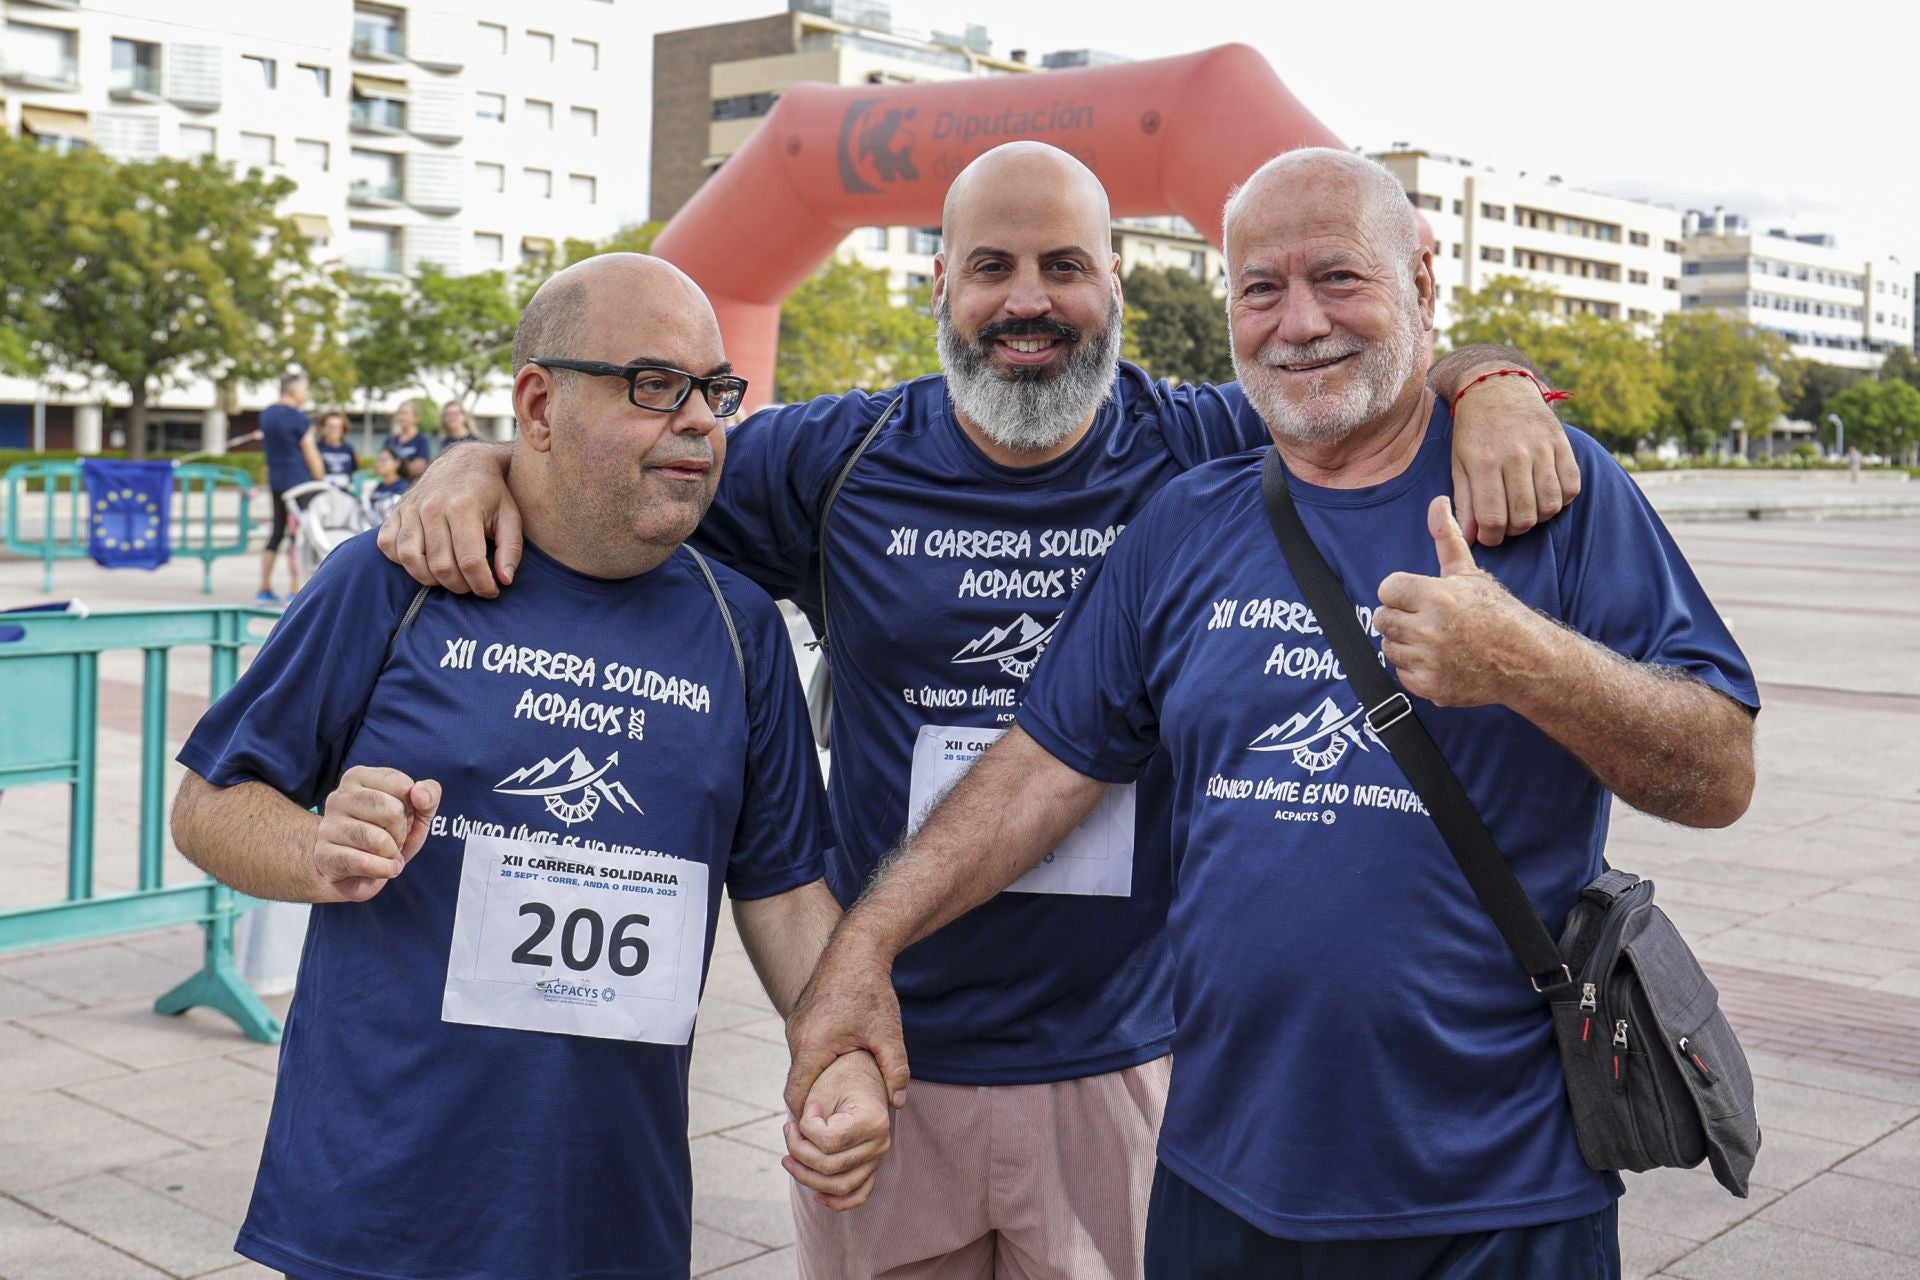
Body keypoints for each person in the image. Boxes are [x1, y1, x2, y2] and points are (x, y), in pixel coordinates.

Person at [379, 142, 1580, 1279]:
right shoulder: (832, 458)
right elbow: (625, 471)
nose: (1028, 300)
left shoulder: (1204, 445)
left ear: (1116, 281)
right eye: (993, 267)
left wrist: (1497, 382)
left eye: (1065, 265)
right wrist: (481, 462)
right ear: (940, 281)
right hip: (887, 1048)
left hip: (1129, 1054)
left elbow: (1367, 383)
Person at [785, 149, 1760, 1280]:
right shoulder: (1189, 517)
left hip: (1496, 1193)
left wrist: (1525, 660)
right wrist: (865, 941)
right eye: (1262, 288)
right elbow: (1037, 774)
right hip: (1222, 1184)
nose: (1300, 323)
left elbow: (1720, 768)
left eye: (1340, 278)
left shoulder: (1546, 495)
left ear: (1423, 283)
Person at [168, 254, 893, 1280]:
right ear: (539, 403)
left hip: (613, 1216)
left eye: (714, 390)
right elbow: (205, 803)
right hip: (379, 1209)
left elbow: (782, 890)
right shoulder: (395, 580)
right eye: (652, 383)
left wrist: (845, 1052)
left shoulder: (739, 629)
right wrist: (316, 847)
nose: (698, 419)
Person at [256, 372, 325, 604]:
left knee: (276, 533)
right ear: (294, 390)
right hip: (299, 484)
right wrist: (321, 478)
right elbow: (311, 453)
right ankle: (295, 588)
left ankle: (263, 586)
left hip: (277, 482)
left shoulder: (267, 415)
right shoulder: (298, 418)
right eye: (305, 389)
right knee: (298, 536)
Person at [384, 399, 433, 479]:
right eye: (399, 413)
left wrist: (392, 468)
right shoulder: (390, 440)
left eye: (404, 413)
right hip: (392, 488)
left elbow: (417, 468)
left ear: (416, 418)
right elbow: (381, 464)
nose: (401, 417)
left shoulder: (422, 441)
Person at [315, 409, 358, 491]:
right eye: (330, 426)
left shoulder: (348, 449)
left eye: (337, 427)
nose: (333, 430)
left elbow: (353, 472)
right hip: (322, 494)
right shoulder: (316, 448)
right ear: (323, 428)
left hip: (344, 494)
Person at [365, 446, 410, 521]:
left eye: (383, 460)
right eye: (378, 459)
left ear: (397, 463)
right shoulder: (379, 487)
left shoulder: (404, 487)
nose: (378, 463)